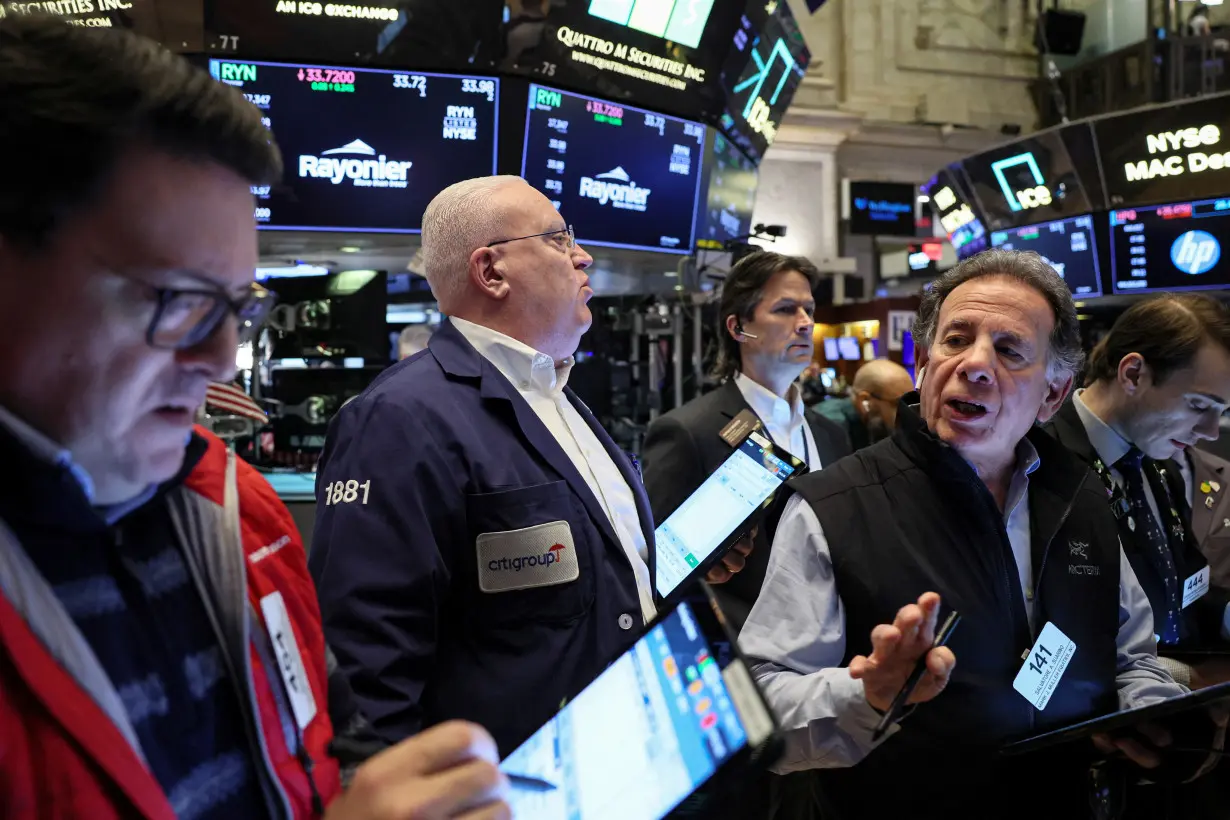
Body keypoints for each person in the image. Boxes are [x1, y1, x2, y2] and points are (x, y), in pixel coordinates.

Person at [0, 15, 507, 819]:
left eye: (238, 308)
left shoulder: (241, 514)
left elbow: (331, 744)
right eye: (183, 301)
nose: (220, 363)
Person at [739, 249, 1187, 819]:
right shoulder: (834, 507)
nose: (974, 364)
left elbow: (1131, 656)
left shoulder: (1083, 496)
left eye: (1008, 350)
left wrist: (1155, 717)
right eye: (955, 340)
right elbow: (758, 706)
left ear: (1053, 394)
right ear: (924, 363)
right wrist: (867, 695)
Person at [310, 175, 656, 756]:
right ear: (491, 271)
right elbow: (368, 671)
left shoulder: (558, 394)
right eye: (557, 238)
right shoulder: (398, 418)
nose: (583, 255)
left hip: (622, 767)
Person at [641, 250, 852, 630]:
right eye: (786, 309)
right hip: (741, 652)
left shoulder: (830, 433)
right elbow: (652, 576)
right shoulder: (688, 431)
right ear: (739, 328)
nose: (805, 324)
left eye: (809, 309)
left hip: (831, 648)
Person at [1045, 294, 1230, 674]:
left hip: (1178, 702)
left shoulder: (1159, 465)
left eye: (1222, 413)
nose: (1212, 433)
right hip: (1093, 721)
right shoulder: (1037, 464)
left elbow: (1187, 590)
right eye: (1199, 405)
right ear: (1132, 374)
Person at [815, 358, 915, 451]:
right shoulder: (830, 428)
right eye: (897, 404)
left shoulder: (872, 423)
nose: (907, 413)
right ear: (865, 400)